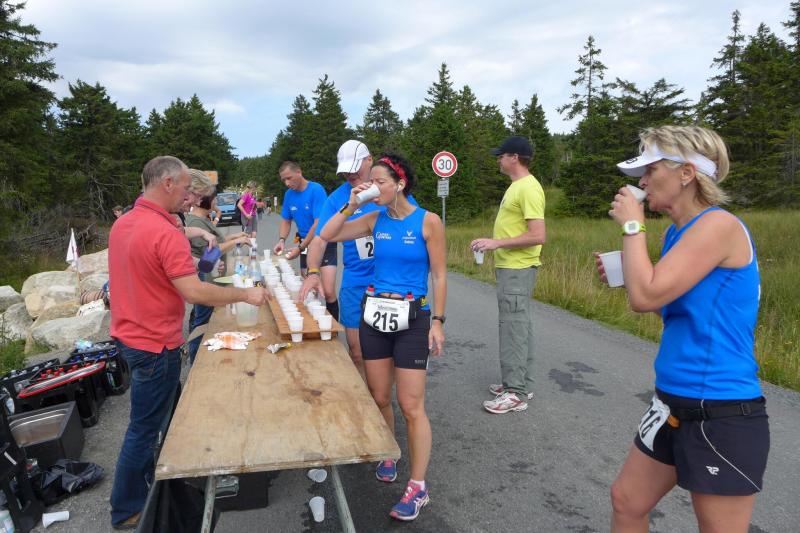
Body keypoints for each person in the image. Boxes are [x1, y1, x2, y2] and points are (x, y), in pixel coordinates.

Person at [596, 125, 769, 533]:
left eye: (650, 170)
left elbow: (646, 297)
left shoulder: (719, 225)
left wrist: (633, 227)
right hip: (671, 402)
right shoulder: (678, 232)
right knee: (627, 501)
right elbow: (667, 306)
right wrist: (629, 275)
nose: (641, 182)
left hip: (720, 410)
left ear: (687, 173)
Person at [108, 156, 270, 530]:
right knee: (144, 429)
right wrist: (245, 295)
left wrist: (200, 238)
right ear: (167, 183)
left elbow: (168, 248)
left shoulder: (126, 222)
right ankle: (127, 507)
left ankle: (161, 487)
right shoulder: (164, 231)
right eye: (185, 189)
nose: (188, 197)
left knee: (155, 422)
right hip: (155, 344)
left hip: (129, 336)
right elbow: (195, 290)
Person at [320, 152, 446, 521]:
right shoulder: (374, 218)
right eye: (370, 181)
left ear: (400, 184)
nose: (373, 187)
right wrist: (352, 203)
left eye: (380, 182)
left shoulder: (428, 221)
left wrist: (438, 321)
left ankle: (417, 486)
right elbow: (328, 234)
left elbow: (440, 274)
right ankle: (389, 451)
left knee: (411, 404)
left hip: (412, 317)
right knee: (378, 396)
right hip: (374, 314)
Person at [300, 141, 419, 380]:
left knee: (388, 353)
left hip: (392, 283)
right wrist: (313, 272)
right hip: (356, 283)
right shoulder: (337, 198)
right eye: (345, 170)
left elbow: (416, 230)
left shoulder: (391, 191)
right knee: (357, 351)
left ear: (369, 160)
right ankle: (367, 395)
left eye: (354, 167)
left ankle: (382, 394)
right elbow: (320, 240)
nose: (350, 174)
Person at [470, 136, 546, 414]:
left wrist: (496, 243)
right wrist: (493, 242)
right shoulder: (518, 186)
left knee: (513, 328)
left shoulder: (528, 188)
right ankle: (521, 383)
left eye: (501, 156)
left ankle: (515, 393)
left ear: (514, 157)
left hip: (517, 269)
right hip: (512, 268)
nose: (498, 160)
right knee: (520, 326)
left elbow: (538, 235)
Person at [184, 169, 251, 364]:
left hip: (210, 276)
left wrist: (235, 237)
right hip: (204, 279)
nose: (216, 203)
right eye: (213, 200)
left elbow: (217, 241)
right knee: (202, 323)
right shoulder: (194, 221)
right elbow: (210, 253)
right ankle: (195, 361)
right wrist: (235, 241)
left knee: (205, 319)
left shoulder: (202, 220)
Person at [272, 161, 329, 276]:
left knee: (324, 283)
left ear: (299, 172)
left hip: (321, 239)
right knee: (305, 276)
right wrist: (281, 240)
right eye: (284, 180)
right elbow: (286, 221)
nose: (287, 183)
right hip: (304, 241)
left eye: (289, 178)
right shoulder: (288, 194)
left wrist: (300, 248)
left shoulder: (316, 190)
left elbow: (318, 223)